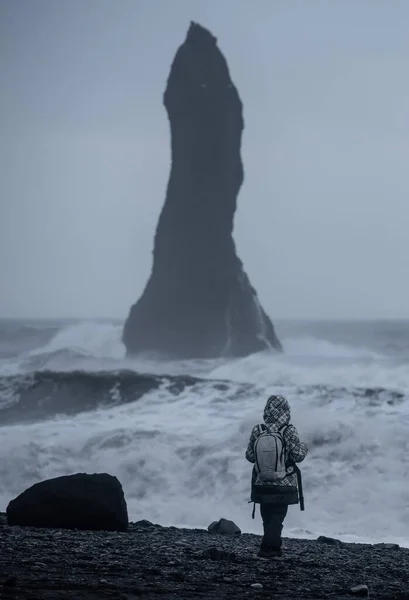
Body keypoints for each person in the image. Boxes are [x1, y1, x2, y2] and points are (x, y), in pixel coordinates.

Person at [245, 394, 308, 558]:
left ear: (266, 411)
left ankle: (273, 546)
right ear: (286, 411)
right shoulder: (289, 430)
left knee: (267, 516)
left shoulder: (258, 430)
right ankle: (269, 548)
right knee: (277, 517)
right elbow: (298, 456)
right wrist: (304, 447)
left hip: (261, 483)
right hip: (284, 484)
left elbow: (250, 457)